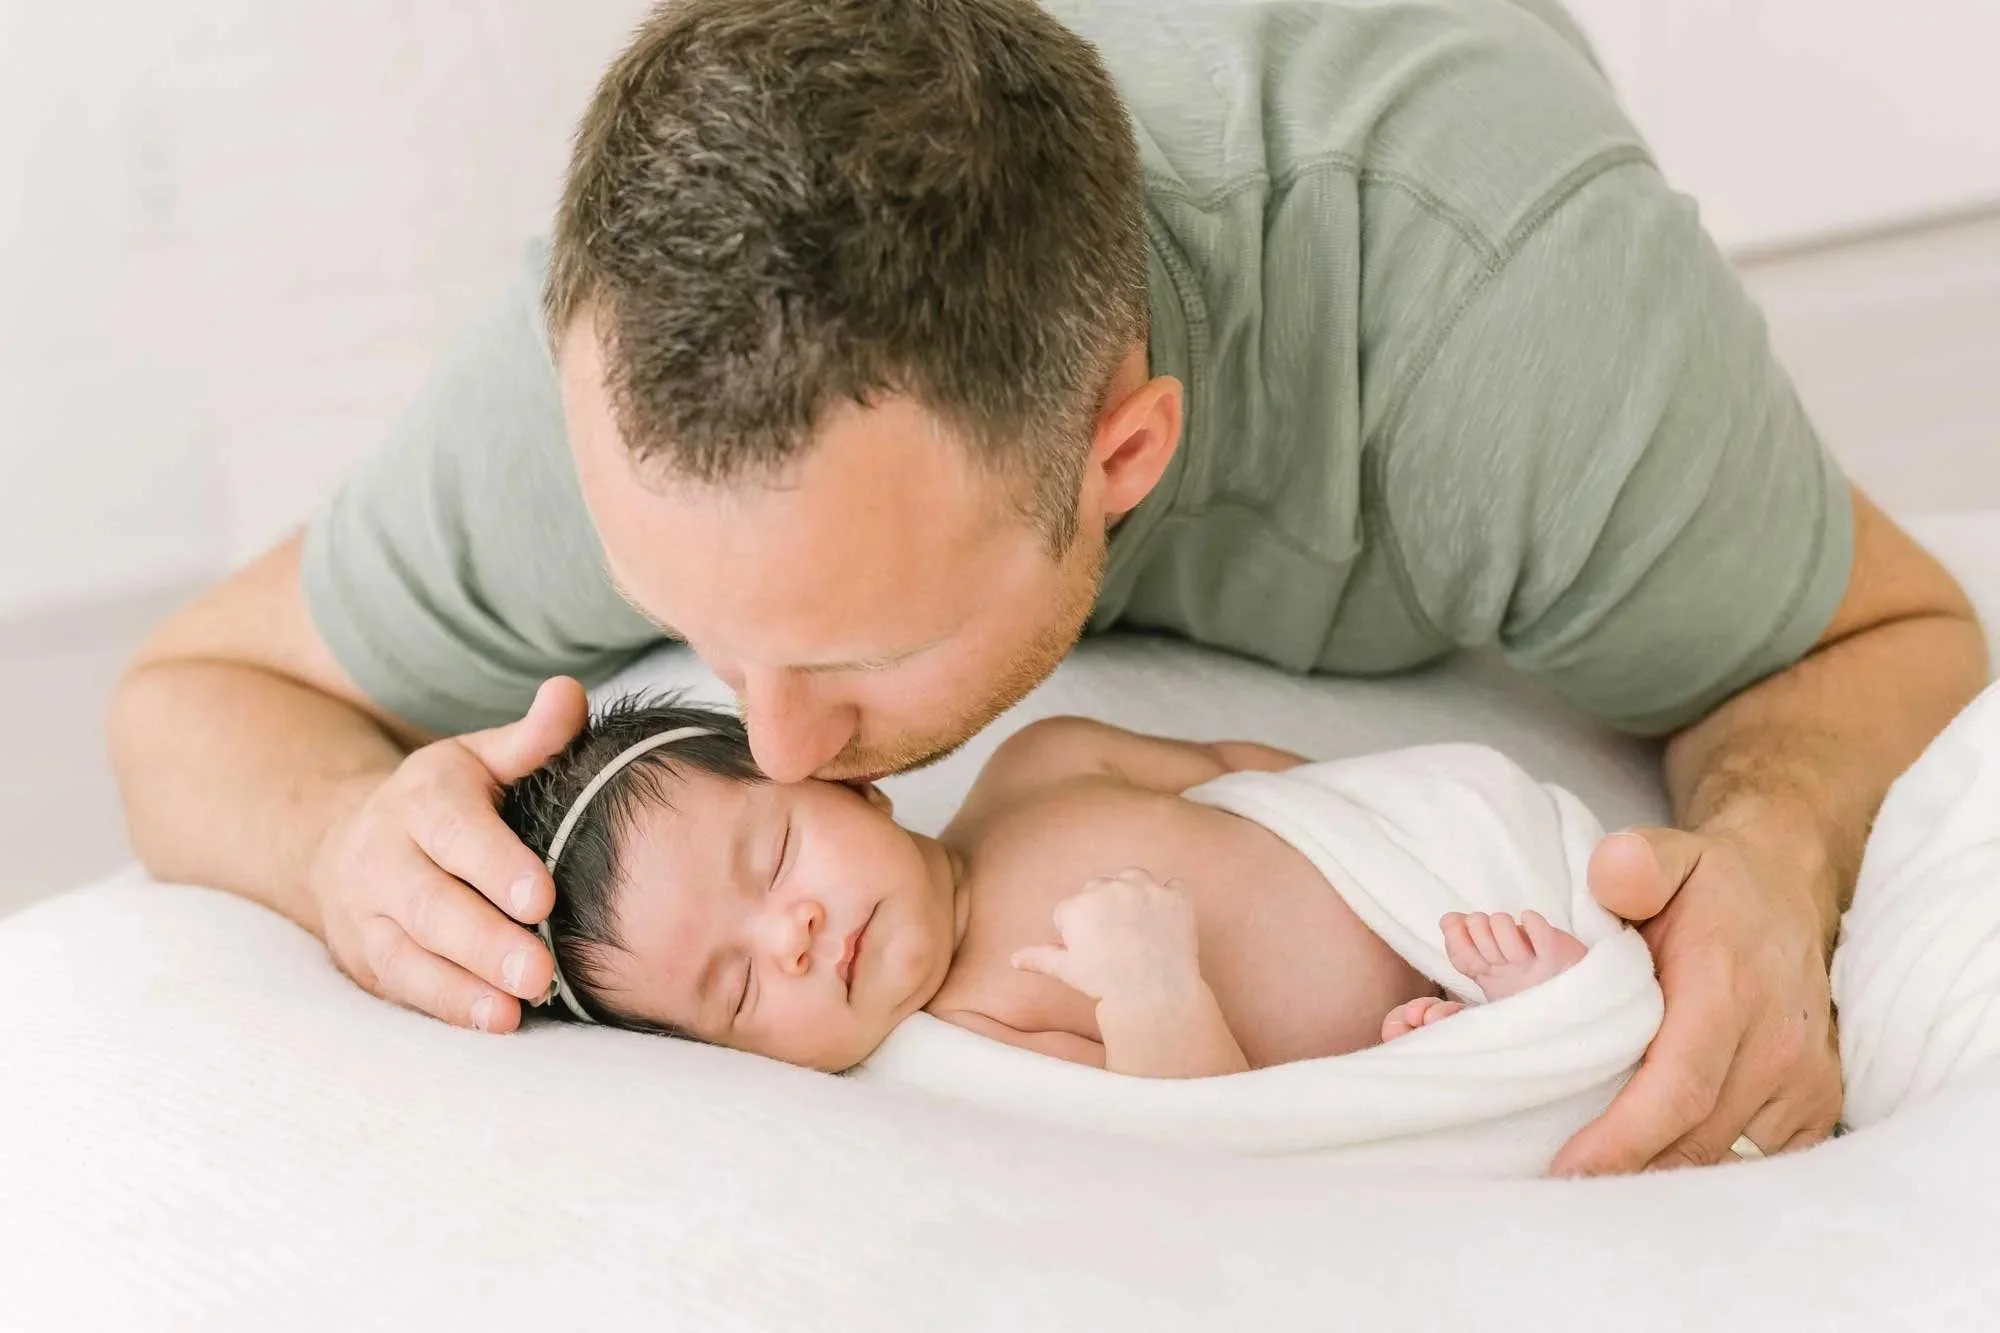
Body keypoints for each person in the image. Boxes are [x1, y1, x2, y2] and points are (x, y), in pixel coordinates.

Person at [108, 0, 1984, 1176]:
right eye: (689, 619)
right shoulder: (632, 383)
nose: (774, 742)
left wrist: (1775, 845)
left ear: (1126, 458)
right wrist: (345, 834)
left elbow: (1889, 633)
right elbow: (187, 695)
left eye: (858, 649)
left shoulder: (1498, 320)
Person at [497, 693, 1596, 1081]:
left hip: (1439, 883)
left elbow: (1251, 773)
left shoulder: (1044, 761)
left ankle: (1557, 974)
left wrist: (1404, 831)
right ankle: (1518, 1032)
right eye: (735, 989)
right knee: (1493, 1045)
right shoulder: (976, 1028)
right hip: (1403, 1050)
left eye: (774, 857)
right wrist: (1152, 991)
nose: (790, 935)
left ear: (847, 781)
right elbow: (1205, 1126)